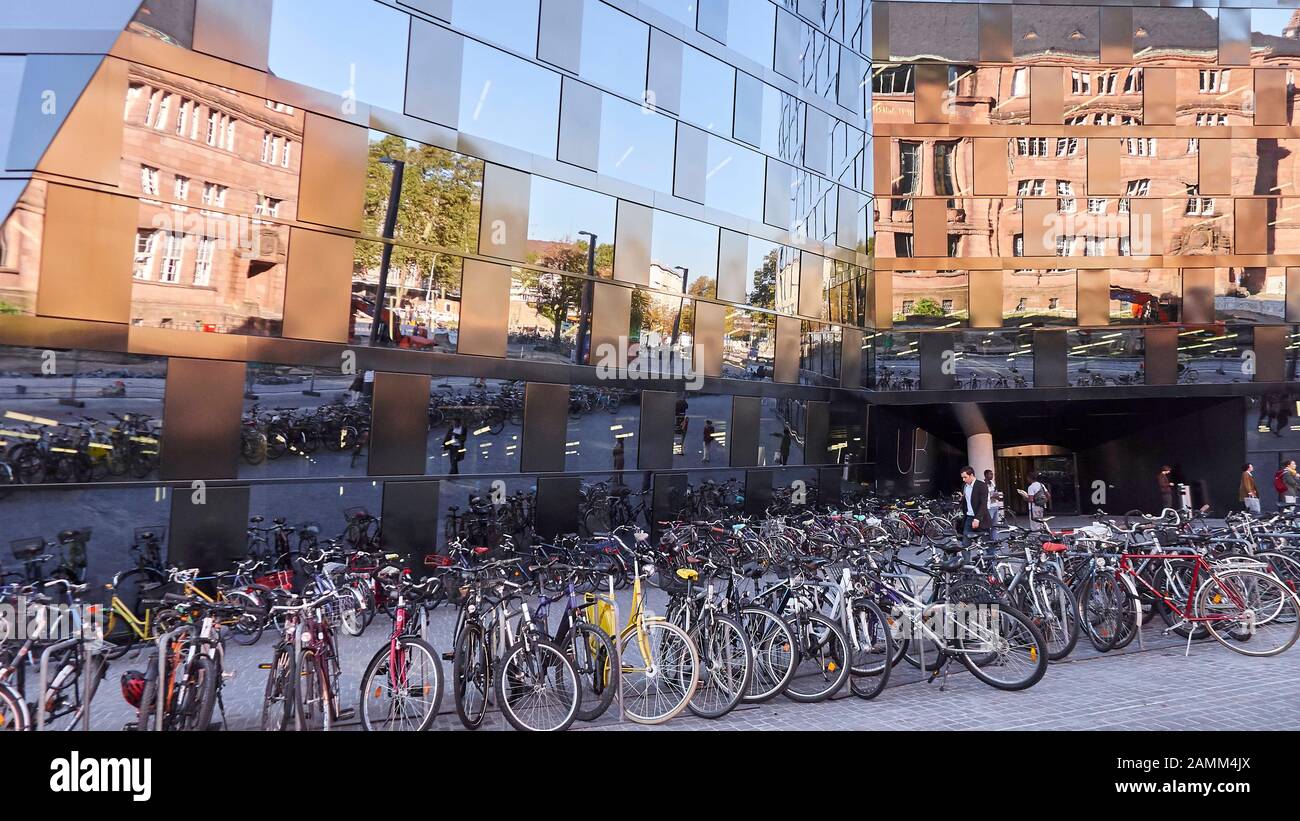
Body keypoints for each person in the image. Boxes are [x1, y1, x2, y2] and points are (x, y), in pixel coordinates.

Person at [959, 466, 990, 548]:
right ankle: (966, 561)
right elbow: (966, 501)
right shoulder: (964, 486)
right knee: (965, 544)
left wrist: (977, 519)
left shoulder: (981, 486)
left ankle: (992, 560)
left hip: (981, 518)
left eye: (965, 477)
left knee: (987, 543)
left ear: (971, 475)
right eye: (962, 478)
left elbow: (983, 504)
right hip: (969, 517)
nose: (963, 480)